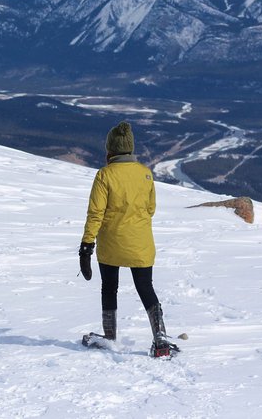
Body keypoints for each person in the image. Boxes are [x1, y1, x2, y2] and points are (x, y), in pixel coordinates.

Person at [79, 121, 178, 357]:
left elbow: (96, 214)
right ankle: (160, 337)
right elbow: (151, 209)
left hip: (111, 245)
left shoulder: (105, 175)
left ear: (110, 150)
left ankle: (110, 335)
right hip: (141, 244)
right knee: (145, 287)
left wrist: (86, 246)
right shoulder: (145, 173)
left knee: (109, 287)